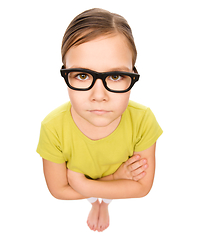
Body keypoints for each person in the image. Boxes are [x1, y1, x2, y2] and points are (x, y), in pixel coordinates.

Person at [36, 8, 163, 232]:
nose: (99, 96)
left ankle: (101, 202)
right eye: (83, 75)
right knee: (97, 197)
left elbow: (142, 188)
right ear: (66, 73)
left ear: (132, 74)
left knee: (102, 196)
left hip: (83, 182)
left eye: (115, 76)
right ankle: (97, 202)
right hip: (117, 181)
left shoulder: (143, 120)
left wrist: (83, 183)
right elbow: (58, 191)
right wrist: (115, 178)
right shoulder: (53, 127)